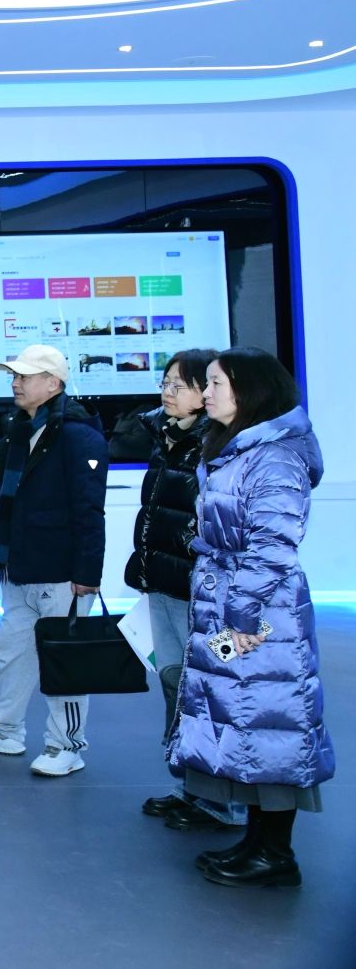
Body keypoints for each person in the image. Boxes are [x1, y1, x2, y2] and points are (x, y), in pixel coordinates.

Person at [171, 347, 334, 888]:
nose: (206, 393)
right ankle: (260, 844)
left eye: (216, 383)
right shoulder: (238, 446)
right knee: (246, 721)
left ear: (251, 390)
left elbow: (273, 545)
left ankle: (275, 853)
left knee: (271, 722)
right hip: (234, 606)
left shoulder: (275, 457)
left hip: (262, 617)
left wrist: (240, 614)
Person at [0, 345, 106, 777]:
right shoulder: (17, 431)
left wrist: (86, 573)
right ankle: (3, 731)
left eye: (25, 376)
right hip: (19, 566)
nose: (15, 383)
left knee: (64, 662)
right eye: (14, 375)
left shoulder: (79, 436)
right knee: (13, 655)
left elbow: (90, 510)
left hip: (61, 572)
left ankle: (66, 746)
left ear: (53, 383)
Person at [123, 349, 245, 831]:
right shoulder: (168, 437)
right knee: (176, 686)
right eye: (165, 383)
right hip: (163, 583)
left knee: (211, 690)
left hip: (202, 593)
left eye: (180, 384)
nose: (167, 392)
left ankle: (225, 799)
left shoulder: (221, 446)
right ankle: (192, 786)